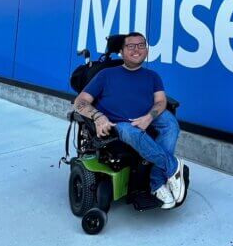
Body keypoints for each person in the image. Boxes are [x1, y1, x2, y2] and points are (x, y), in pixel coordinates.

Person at [72, 32, 186, 208]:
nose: (136, 49)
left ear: (146, 50)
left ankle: (157, 183)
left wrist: (149, 118)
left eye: (141, 45)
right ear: (121, 52)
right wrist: (98, 117)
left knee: (171, 124)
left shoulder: (152, 76)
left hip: (146, 115)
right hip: (119, 122)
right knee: (128, 130)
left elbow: (161, 101)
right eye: (130, 46)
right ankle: (172, 167)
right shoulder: (105, 75)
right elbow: (80, 101)